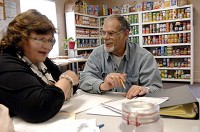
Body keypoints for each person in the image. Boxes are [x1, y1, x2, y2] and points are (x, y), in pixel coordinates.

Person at [0, 9, 79, 123]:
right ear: (20, 38)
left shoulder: (41, 60)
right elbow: (39, 108)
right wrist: (67, 79)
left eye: (50, 40)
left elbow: (74, 86)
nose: (48, 47)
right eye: (41, 40)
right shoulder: (6, 63)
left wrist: (60, 88)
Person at [79, 14, 163, 99]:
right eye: (103, 33)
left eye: (111, 33)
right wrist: (103, 85)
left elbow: (157, 88)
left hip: (132, 108)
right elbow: (84, 79)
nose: (105, 37)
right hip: (103, 107)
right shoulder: (97, 54)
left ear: (125, 35)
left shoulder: (144, 57)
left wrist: (145, 89)